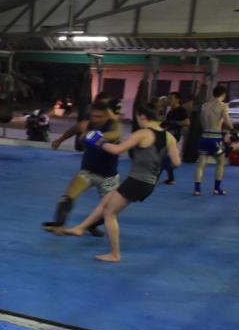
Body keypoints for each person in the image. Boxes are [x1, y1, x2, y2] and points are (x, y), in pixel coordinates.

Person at [61, 103, 181, 262]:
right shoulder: (169, 137)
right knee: (105, 202)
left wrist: (98, 141)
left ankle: (115, 254)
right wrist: (158, 161)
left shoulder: (142, 133)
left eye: (137, 118)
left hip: (137, 181)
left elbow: (117, 150)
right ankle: (80, 228)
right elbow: (176, 163)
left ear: (142, 117)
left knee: (109, 213)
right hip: (147, 183)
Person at [43, 100, 122, 235]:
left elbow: (116, 135)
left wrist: (93, 136)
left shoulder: (113, 126)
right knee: (68, 196)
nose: (95, 119)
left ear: (107, 116)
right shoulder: (85, 125)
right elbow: (74, 129)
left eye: (99, 116)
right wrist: (60, 140)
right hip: (88, 172)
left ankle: (91, 225)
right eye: (93, 116)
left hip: (109, 177)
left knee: (112, 210)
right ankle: (59, 224)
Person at [194, 85, 233, 196]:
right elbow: (227, 121)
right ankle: (217, 189)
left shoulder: (204, 105)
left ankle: (197, 189)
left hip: (204, 136)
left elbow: (202, 122)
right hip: (215, 137)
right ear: (224, 94)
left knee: (201, 164)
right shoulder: (223, 106)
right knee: (221, 162)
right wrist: (233, 129)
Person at [161, 91, 189, 184]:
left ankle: (160, 176)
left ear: (177, 99)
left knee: (163, 155)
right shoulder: (170, 111)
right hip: (168, 134)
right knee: (164, 156)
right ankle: (171, 178)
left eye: (171, 98)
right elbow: (166, 124)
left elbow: (187, 122)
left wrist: (176, 123)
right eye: (168, 98)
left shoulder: (181, 110)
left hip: (175, 136)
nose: (169, 100)